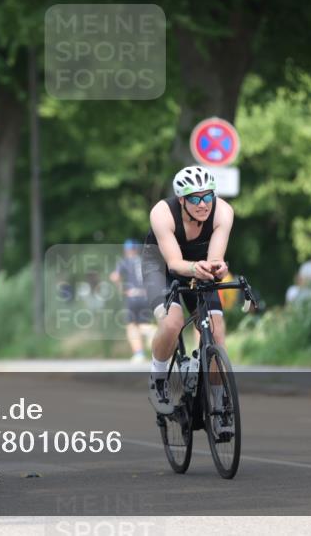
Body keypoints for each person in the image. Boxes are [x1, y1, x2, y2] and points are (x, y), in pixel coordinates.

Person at [144, 166, 235, 428]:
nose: (203, 204)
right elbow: (173, 263)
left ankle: (218, 406)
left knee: (216, 333)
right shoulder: (162, 213)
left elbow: (215, 258)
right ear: (181, 200)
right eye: (195, 198)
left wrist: (218, 268)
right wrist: (196, 268)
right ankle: (158, 380)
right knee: (172, 323)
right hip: (161, 267)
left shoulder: (223, 212)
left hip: (199, 265)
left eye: (208, 196)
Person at [110, 239, 154, 362]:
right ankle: (150, 331)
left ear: (127, 250)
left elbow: (115, 277)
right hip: (146, 296)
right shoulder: (145, 261)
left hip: (132, 296)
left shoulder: (124, 262)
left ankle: (139, 353)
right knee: (143, 323)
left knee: (132, 326)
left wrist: (121, 290)